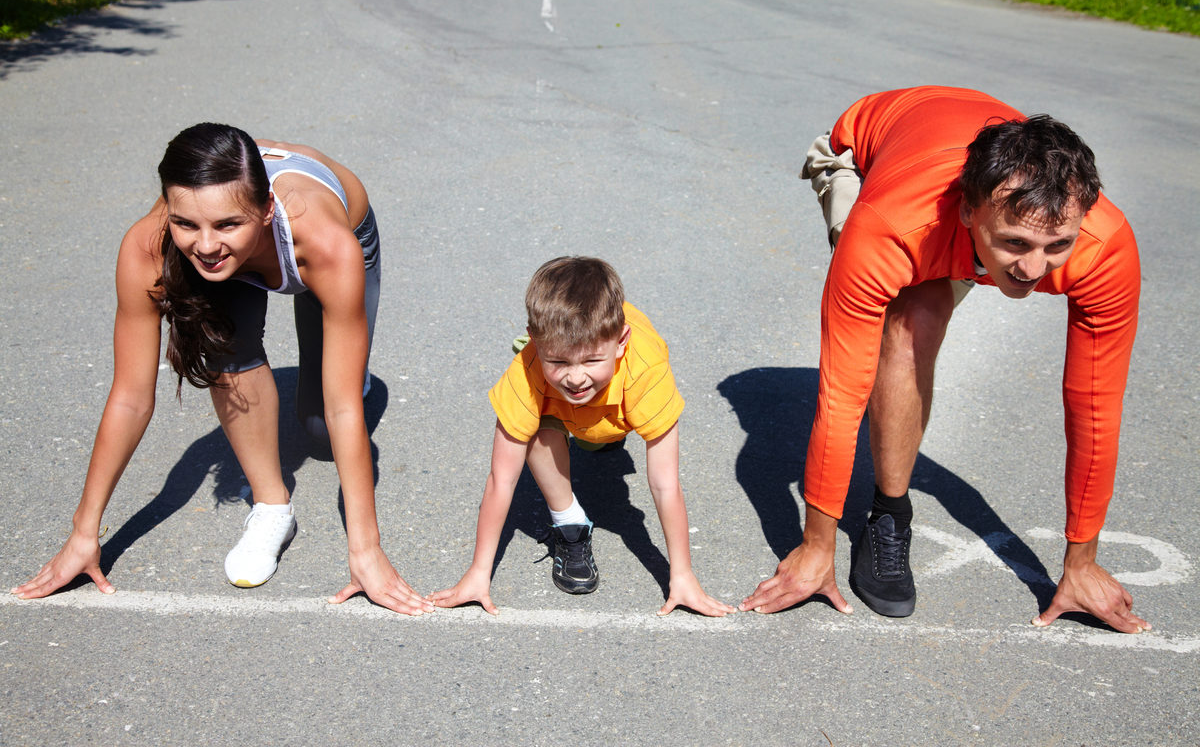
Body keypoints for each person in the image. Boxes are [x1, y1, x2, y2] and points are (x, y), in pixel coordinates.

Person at [740, 86, 1149, 633]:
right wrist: (816, 544)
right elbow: (842, 393)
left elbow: (1095, 406)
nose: (1034, 269)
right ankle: (889, 514)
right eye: (1016, 244)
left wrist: (1082, 561)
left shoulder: (1105, 246)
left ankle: (891, 508)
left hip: (959, 192)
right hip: (865, 157)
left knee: (943, 296)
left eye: (1057, 246)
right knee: (914, 318)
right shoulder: (888, 227)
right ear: (968, 210)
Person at [11, 123, 432, 616]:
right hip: (253, 242)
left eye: (226, 225)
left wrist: (366, 552)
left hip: (314, 238)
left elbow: (343, 411)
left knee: (322, 428)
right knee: (221, 340)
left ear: (265, 209)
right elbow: (130, 396)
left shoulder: (327, 243)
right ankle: (272, 508)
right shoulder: (148, 246)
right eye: (185, 224)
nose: (206, 245)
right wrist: (84, 533)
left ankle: (334, 346)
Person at [429, 256, 733, 617]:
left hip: (619, 409)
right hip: (561, 409)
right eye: (558, 361)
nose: (575, 378)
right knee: (534, 424)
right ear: (536, 341)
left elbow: (665, 484)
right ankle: (569, 521)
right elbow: (502, 478)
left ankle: (600, 435)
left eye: (590, 361)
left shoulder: (646, 371)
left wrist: (682, 575)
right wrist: (479, 573)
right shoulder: (527, 372)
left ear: (621, 342)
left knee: (599, 439)